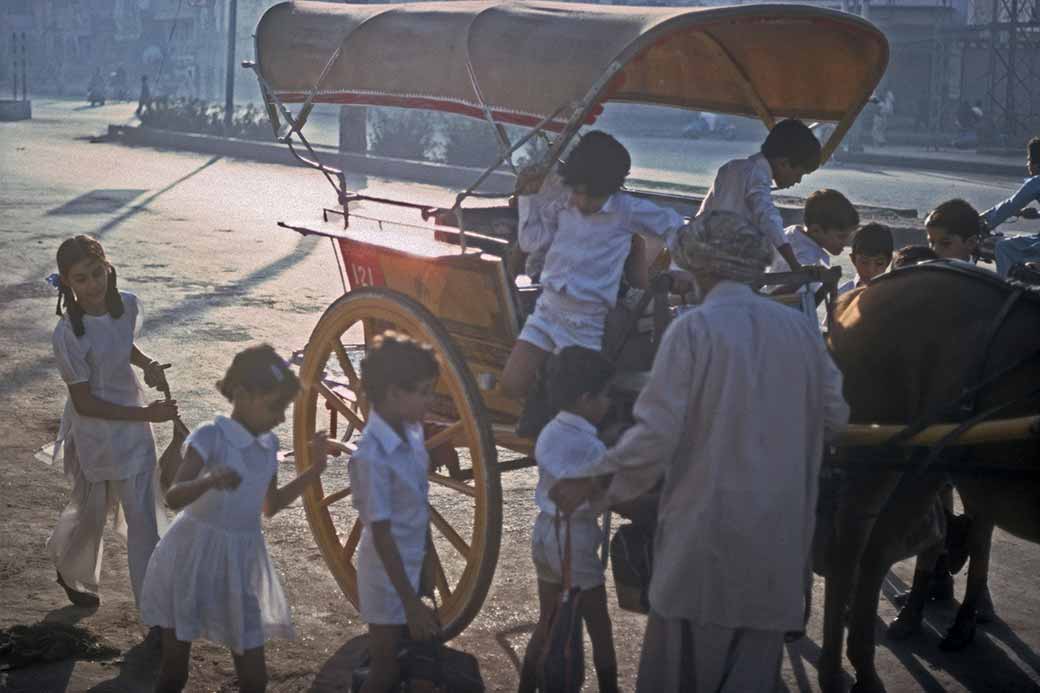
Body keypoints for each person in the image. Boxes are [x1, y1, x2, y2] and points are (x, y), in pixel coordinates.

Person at [552, 211, 850, 692]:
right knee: (753, 672)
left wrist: (595, 482)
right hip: (778, 546)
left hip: (707, 543)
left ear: (703, 269)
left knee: (680, 674)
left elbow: (654, 438)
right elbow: (836, 417)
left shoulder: (694, 331)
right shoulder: (800, 331)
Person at [142, 344, 328, 693]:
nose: (281, 418)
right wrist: (209, 481)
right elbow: (173, 495)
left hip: (240, 562)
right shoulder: (211, 436)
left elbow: (270, 506)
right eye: (274, 407)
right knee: (174, 672)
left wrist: (313, 472)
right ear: (242, 395)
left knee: (255, 679)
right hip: (191, 558)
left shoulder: (269, 445)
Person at [45, 235, 177, 615]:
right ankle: (71, 569)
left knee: (143, 524)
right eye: (81, 278)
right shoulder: (67, 333)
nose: (92, 285)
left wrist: (147, 363)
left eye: (97, 272)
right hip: (96, 432)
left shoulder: (128, 306)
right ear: (67, 283)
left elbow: (122, 346)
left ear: (108, 266)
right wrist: (148, 414)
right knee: (92, 509)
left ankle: (154, 616)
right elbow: (84, 402)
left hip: (135, 427)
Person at [501, 131, 684, 401]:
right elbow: (531, 242)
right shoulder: (563, 204)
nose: (581, 202)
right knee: (511, 386)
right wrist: (529, 198)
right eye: (577, 192)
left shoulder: (627, 211)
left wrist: (679, 269)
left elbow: (675, 226)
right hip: (546, 311)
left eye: (591, 197)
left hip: (586, 323)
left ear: (612, 188)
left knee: (572, 402)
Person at [519, 347, 618, 693]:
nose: (608, 404)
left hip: (544, 534)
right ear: (586, 398)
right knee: (599, 626)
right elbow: (594, 495)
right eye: (604, 396)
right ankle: (609, 687)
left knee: (547, 619)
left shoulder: (549, 431)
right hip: (573, 542)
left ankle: (526, 686)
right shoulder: (591, 447)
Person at [349, 332, 441, 693]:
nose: (429, 400)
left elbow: (420, 502)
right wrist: (409, 602)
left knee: (414, 664)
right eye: (423, 392)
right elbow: (382, 533)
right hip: (386, 579)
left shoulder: (413, 432)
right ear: (393, 394)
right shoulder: (370, 456)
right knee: (385, 668)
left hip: (412, 566)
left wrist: (429, 558)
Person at [697, 118, 822, 273]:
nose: (798, 180)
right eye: (799, 174)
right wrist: (794, 265)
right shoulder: (756, 176)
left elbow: (704, 213)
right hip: (725, 265)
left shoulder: (731, 167)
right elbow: (768, 217)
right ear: (783, 163)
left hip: (701, 256)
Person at [984, 137, 1040, 276]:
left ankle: (1006, 290)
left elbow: (1009, 206)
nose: (1027, 164)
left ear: (1036, 164)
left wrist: (983, 222)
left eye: (1028, 159)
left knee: (1004, 247)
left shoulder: (1036, 182)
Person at [769, 188, 859, 274]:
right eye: (841, 236)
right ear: (815, 230)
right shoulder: (810, 257)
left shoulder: (787, 234)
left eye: (848, 236)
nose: (846, 242)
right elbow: (798, 289)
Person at [840, 222, 894, 293]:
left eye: (879, 263)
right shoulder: (842, 293)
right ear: (853, 259)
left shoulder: (893, 296)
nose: (871, 270)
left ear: (888, 262)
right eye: (864, 262)